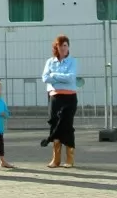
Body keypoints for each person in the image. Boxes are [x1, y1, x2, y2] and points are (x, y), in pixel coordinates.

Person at [41, 34, 78, 168]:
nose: (63, 48)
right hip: (55, 97)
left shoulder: (72, 61)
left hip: (69, 97)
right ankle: (56, 159)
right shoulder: (50, 62)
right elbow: (45, 78)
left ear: (68, 47)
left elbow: (71, 78)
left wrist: (54, 75)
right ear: (56, 47)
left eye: (65, 45)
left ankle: (69, 159)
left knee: (67, 125)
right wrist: (60, 78)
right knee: (54, 124)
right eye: (60, 45)